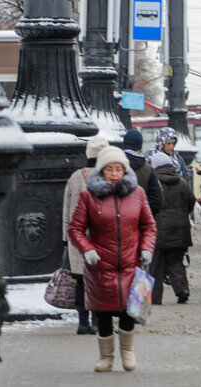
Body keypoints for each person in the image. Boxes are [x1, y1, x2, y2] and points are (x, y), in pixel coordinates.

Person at [67, 146, 157, 373]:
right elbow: (76, 228)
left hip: (131, 263)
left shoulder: (138, 194)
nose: (115, 173)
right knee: (103, 312)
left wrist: (146, 248)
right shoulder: (88, 196)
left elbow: (149, 226)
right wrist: (87, 249)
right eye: (110, 169)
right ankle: (105, 357)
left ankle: (128, 353)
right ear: (102, 171)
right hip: (100, 266)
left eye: (119, 169)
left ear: (125, 171)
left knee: (129, 311)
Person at [62, 134, 108, 335]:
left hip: (77, 238)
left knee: (80, 281)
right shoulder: (107, 176)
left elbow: (65, 210)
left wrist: (66, 239)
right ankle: (98, 321)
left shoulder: (75, 177)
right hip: (102, 238)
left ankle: (82, 322)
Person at [149, 152, 195, 305]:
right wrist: (182, 214)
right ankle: (182, 290)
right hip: (180, 229)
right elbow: (191, 202)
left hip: (159, 229)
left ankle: (155, 298)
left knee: (156, 265)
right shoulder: (181, 182)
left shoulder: (153, 183)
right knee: (176, 261)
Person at [122, 128, 163, 217]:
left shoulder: (115, 166)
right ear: (140, 146)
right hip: (141, 220)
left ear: (124, 144)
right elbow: (157, 199)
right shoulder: (147, 168)